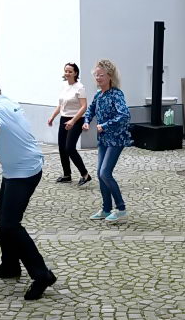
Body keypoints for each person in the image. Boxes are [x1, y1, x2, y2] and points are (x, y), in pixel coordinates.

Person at [0, 73, 57, 301]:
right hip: (21, 168)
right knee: (2, 218)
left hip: (24, 171)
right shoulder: (6, 101)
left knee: (10, 223)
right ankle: (10, 265)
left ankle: (42, 275)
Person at [82, 59, 131, 223]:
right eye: (96, 75)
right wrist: (87, 121)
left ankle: (121, 209)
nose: (98, 78)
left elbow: (124, 115)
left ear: (110, 76)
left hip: (116, 139)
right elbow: (90, 110)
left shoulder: (116, 94)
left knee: (105, 173)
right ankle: (106, 209)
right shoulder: (99, 95)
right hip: (103, 139)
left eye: (101, 75)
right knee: (100, 174)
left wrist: (105, 125)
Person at [48, 62, 91, 186]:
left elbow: (84, 106)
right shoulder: (64, 86)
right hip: (64, 118)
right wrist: (52, 117)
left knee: (70, 148)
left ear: (75, 73)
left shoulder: (80, 87)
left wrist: (73, 121)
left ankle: (85, 175)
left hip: (76, 119)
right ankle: (67, 175)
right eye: (66, 71)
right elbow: (61, 104)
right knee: (62, 148)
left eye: (70, 71)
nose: (67, 73)